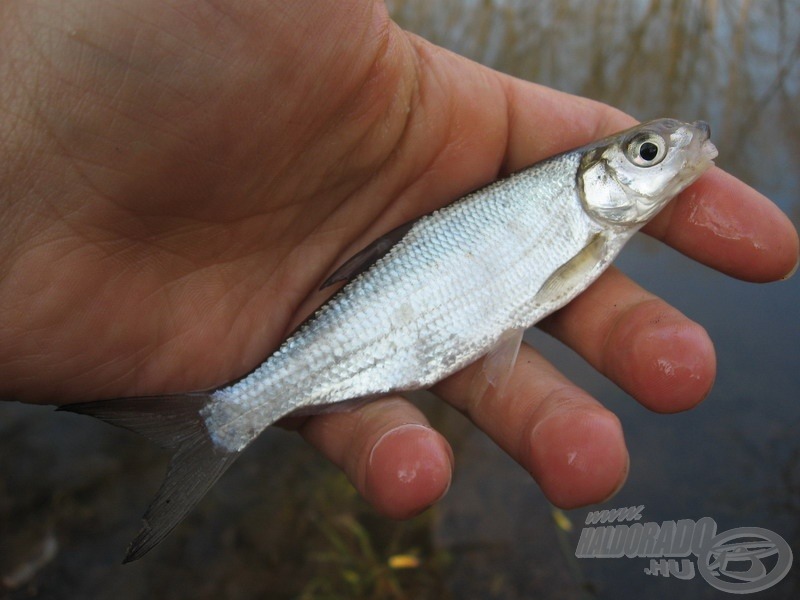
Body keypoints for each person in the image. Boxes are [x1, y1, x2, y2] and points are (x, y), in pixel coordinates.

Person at [0, 0, 796, 523]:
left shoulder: (587, 215)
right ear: (601, 176)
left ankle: (227, 416)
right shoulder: (578, 213)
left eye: (646, 150)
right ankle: (224, 416)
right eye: (649, 151)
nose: (671, 150)